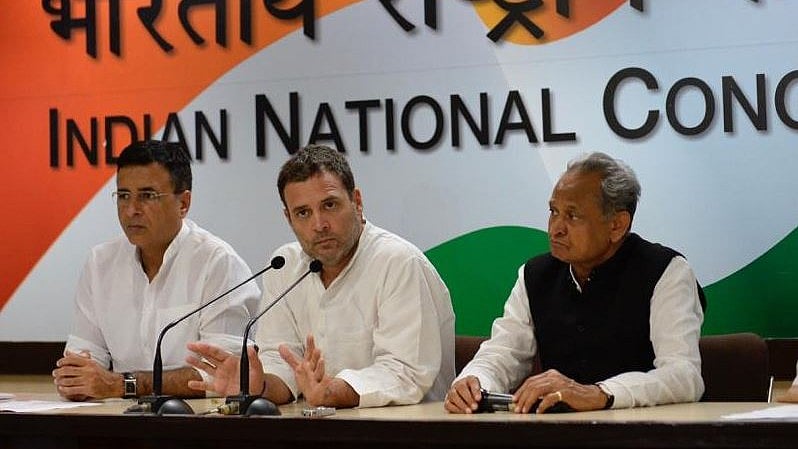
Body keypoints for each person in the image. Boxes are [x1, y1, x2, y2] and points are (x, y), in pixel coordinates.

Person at [187, 144, 455, 408]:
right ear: (288, 218)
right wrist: (260, 386)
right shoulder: (284, 267)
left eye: (329, 205)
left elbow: (404, 371)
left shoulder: (398, 262)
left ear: (357, 201)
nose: (319, 225)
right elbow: (282, 363)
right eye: (303, 213)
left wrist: (331, 392)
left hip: (407, 428)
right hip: (319, 427)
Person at [446, 152, 706, 414]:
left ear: (617, 225)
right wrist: (475, 381)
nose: (555, 228)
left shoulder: (666, 271)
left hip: (645, 430)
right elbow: (504, 352)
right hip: (559, 431)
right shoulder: (535, 274)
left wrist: (601, 393)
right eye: (553, 211)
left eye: (573, 216)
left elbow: (683, 375)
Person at [53, 140, 260, 401]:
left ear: (183, 203)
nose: (131, 210)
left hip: (199, 420)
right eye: (124, 196)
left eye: (147, 196)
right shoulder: (100, 263)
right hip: (118, 418)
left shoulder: (219, 263)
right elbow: (84, 357)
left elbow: (221, 375)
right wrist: (76, 379)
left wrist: (124, 384)